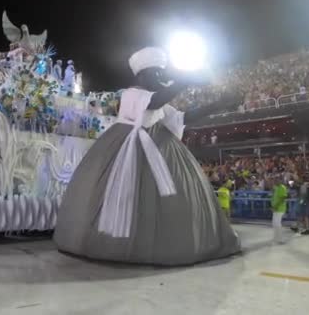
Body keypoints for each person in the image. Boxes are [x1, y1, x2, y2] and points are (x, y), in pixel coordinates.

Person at [54, 47, 240, 265]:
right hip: (128, 146)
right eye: (156, 73)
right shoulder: (131, 94)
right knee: (123, 193)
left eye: (162, 73)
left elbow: (181, 117)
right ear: (141, 75)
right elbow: (153, 103)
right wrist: (185, 79)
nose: (161, 78)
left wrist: (219, 105)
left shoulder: (158, 100)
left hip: (160, 144)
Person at [271, 176, 288, 244]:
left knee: (277, 224)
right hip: (275, 208)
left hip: (280, 209)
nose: (275, 181)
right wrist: (273, 206)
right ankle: (276, 238)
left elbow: (282, 198)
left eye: (277, 180)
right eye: (275, 180)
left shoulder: (282, 187)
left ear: (280, 180)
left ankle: (280, 239)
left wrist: (276, 206)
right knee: (274, 224)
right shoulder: (276, 188)